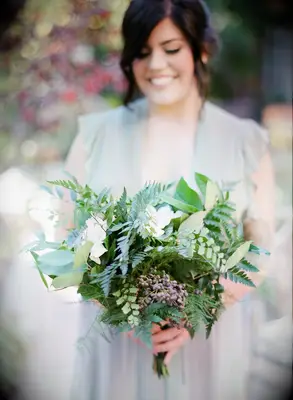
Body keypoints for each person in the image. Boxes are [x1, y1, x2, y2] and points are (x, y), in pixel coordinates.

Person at [66, 1, 275, 399]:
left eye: (171, 48)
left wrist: (206, 307)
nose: (155, 64)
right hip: (116, 345)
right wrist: (119, 309)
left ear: (202, 49)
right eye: (142, 52)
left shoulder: (245, 141)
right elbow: (66, 236)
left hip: (207, 345)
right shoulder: (93, 136)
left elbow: (261, 247)